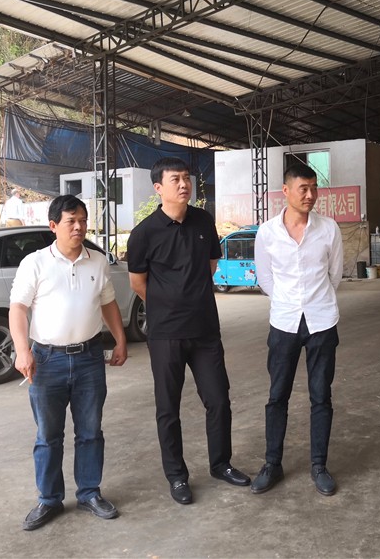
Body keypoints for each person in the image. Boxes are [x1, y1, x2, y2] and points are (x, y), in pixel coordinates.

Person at [126, 157, 249, 505]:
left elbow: (210, 265)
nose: (184, 185)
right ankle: (177, 476)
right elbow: (138, 283)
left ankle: (221, 464)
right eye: (175, 179)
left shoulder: (203, 221)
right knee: (169, 407)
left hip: (205, 330)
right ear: (158, 188)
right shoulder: (144, 233)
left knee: (218, 399)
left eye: (187, 178)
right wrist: (169, 305)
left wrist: (191, 299)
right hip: (166, 334)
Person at [10, 195, 128, 531]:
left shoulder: (98, 261)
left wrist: (120, 339)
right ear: (53, 226)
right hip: (47, 361)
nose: (78, 227)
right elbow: (18, 308)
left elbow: (108, 303)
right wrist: (22, 350)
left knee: (90, 431)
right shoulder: (35, 263)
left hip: (90, 358)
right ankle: (49, 500)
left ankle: (89, 493)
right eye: (70, 221)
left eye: (83, 221)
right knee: (48, 435)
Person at [250, 164, 344, 497]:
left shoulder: (329, 228)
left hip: (322, 322)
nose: (310, 195)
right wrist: (287, 301)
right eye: (303, 188)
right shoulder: (267, 232)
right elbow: (265, 278)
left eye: (314, 188)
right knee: (278, 395)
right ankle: (272, 464)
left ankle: (319, 466)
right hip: (284, 323)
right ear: (286, 191)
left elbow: (335, 275)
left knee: (321, 395)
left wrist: (315, 301)